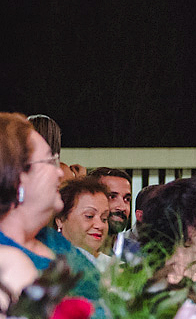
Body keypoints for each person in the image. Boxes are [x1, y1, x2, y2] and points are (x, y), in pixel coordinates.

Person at [0, 113, 99, 300]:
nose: (60, 172)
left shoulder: (54, 241)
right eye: (49, 161)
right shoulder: (5, 260)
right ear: (18, 178)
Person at [55, 176, 112, 266]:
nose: (100, 225)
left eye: (104, 219)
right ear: (61, 219)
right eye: (89, 216)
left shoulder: (114, 267)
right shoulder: (49, 263)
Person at [89, 167, 132, 251]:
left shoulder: (136, 254)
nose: (122, 207)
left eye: (127, 199)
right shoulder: (69, 253)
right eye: (112, 197)